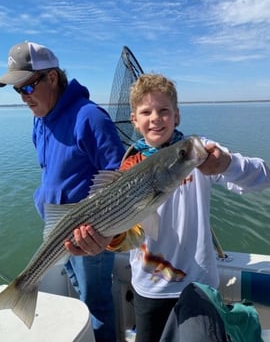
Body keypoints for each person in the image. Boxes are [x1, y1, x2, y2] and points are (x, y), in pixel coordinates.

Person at [65, 73, 270, 342]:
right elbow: (132, 235)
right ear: (135, 122)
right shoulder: (129, 167)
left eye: (164, 110)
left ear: (177, 116)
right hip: (148, 288)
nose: (156, 118)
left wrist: (226, 164)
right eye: (146, 111)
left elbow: (262, 177)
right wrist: (106, 240)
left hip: (199, 285)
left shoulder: (198, 153)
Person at [0, 41, 125, 342]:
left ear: (52, 78)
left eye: (27, 87)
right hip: (57, 232)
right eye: (17, 90)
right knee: (81, 297)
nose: (23, 97)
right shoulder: (40, 120)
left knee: (96, 306)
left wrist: (109, 234)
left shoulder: (90, 118)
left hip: (89, 237)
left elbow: (122, 182)